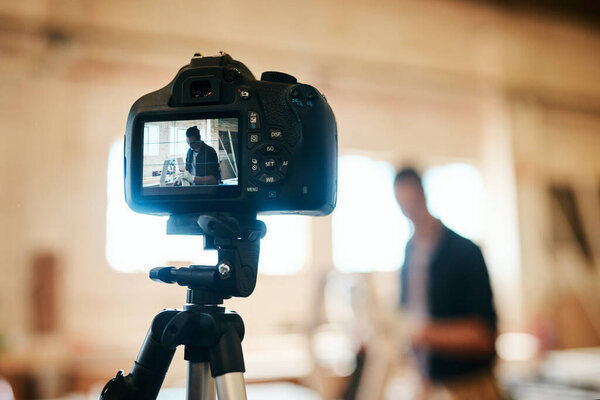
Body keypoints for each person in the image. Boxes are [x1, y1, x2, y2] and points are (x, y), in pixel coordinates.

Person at [394, 168, 500, 399]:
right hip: (426, 383)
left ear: (423, 195)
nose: (409, 212)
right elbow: (403, 313)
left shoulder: (465, 252)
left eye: (412, 202)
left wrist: (421, 333)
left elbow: (483, 336)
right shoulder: (409, 252)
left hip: (468, 386)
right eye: (403, 206)